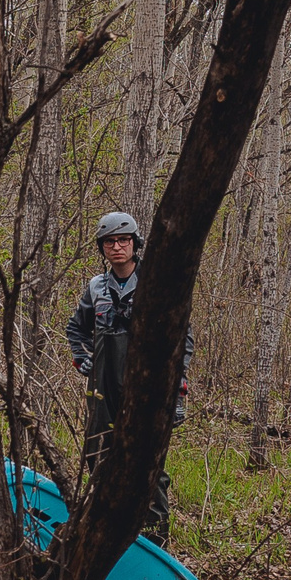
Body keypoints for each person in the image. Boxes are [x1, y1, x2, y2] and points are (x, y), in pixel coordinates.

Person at [66, 210, 192, 540]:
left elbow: (182, 339)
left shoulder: (157, 283)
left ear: (135, 244)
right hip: (104, 389)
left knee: (148, 463)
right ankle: (105, 534)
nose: (117, 247)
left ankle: (153, 538)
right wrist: (83, 361)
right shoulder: (96, 288)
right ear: (102, 248)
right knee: (99, 456)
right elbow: (75, 329)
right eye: (110, 242)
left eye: (123, 240)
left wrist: (177, 392)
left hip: (149, 387)